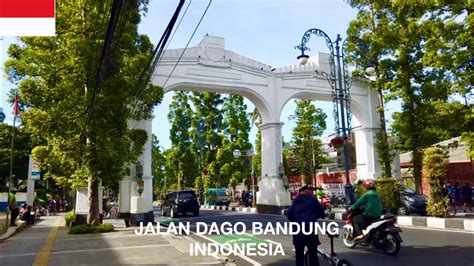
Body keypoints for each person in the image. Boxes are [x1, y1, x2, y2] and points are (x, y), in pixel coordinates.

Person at [285, 185, 326, 266]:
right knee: (313, 254)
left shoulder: (296, 200)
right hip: (310, 231)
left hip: (298, 231)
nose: (313, 192)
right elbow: (322, 214)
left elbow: (289, 213)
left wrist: (295, 221)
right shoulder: (313, 200)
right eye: (311, 190)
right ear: (306, 191)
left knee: (299, 255)